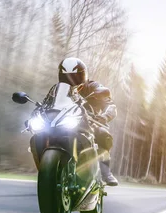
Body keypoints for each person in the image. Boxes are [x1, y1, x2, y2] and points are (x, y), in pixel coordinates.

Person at [48, 57, 119, 186]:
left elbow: (111, 106)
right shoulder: (57, 89)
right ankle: (50, 169)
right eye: (66, 77)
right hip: (63, 121)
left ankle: (105, 172)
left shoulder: (93, 87)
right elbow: (48, 103)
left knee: (103, 135)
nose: (70, 80)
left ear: (83, 75)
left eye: (75, 77)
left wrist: (104, 117)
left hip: (89, 122)